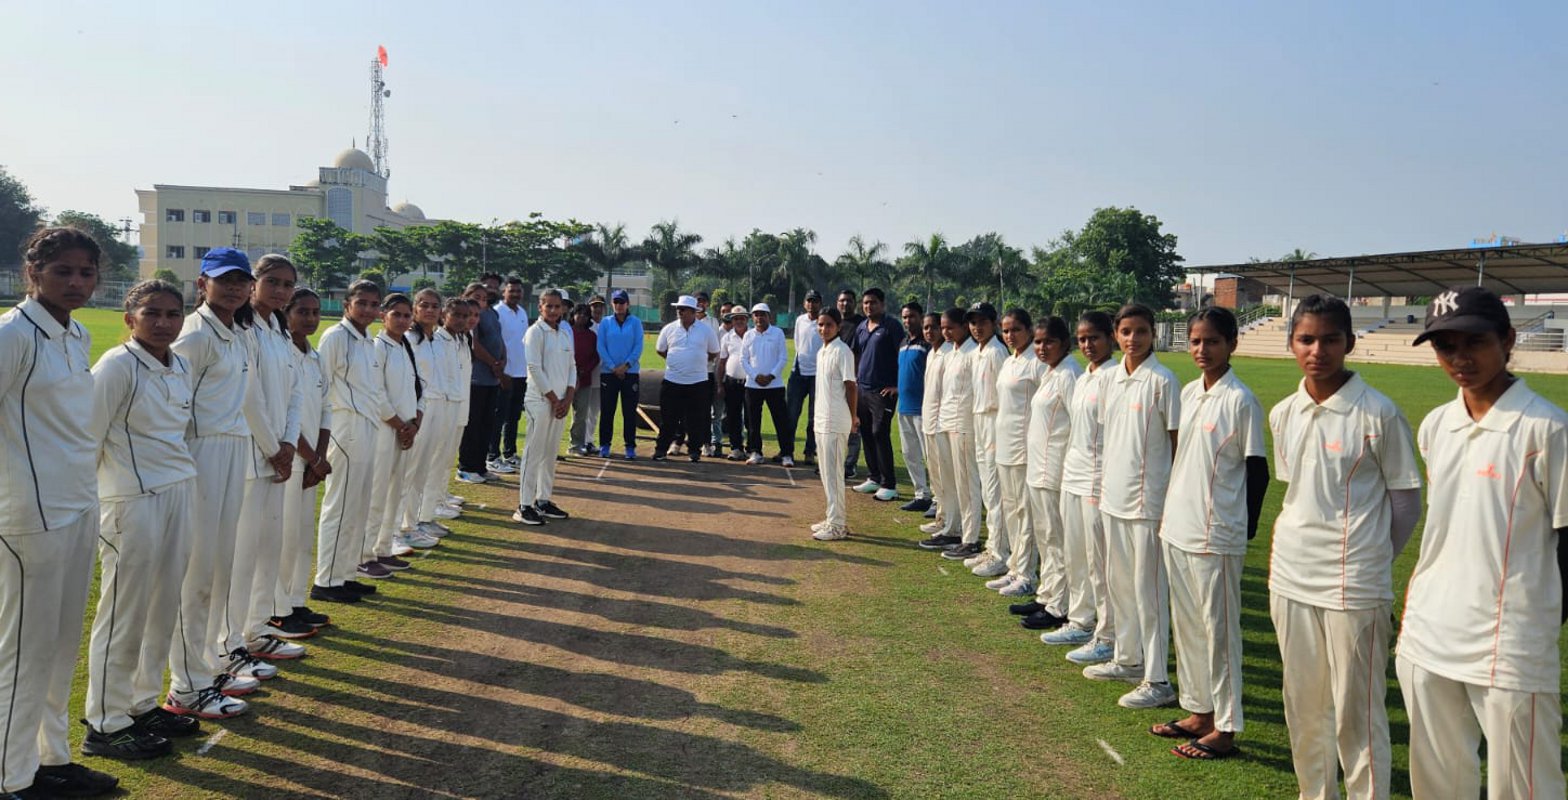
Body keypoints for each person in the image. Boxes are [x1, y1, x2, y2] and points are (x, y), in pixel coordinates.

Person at [1397, 286, 1566, 799]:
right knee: (1438, 781)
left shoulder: (1548, 429)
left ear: (1508, 339)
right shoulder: (1436, 425)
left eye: (1474, 342)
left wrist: (1533, 621)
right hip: (1429, 630)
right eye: (1445, 346)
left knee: (1526, 786)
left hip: (1508, 641)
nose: (1460, 358)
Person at [1268, 294, 1421, 800]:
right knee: (1304, 704)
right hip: (1290, 575)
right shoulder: (1284, 412)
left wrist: (1372, 559)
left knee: (1357, 713)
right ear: (1291, 344)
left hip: (1353, 584)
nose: (1318, 350)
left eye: (1330, 339)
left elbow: (1405, 503)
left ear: (1350, 343)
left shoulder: (1379, 413)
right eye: (1307, 339)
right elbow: (1299, 490)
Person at [0, 227, 120, 797]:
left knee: (58, 645)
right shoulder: (13, 334)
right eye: (63, 271)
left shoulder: (71, 336)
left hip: (76, 505)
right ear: (34, 273)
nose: (76, 282)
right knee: (22, 651)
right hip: (27, 517)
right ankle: (10, 777)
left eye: (86, 272)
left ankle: (50, 760)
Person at [83, 280, 197, 761]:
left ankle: (142, 703)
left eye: (173, 313)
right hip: (131, 498)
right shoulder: (116, 367)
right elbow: (87, 439)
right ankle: (104, 722)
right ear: (130, 319)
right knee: (124, 610)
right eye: (152, 313)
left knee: (163, 604)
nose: (164, 322)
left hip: (176, 490)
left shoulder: (181, 364)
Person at [1152, 307, 1267, 760]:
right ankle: (1200, 709)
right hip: (1179, 527)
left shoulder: (1241, 400)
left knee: (1219, 632)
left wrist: (1243, 527)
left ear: (1232, 344)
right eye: (1196, 341)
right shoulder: (1190, 392)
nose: (1202, 349)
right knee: (1190, 628)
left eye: (1212, 342)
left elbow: (1256, 470)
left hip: (1216, 533)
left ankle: (1226, 725)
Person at [165, 247, 263, 719]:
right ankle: (186, 686)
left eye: (240, 280)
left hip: (232, 448)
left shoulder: (236, 333)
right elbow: (175, 406)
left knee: (220, 566)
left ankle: (208, 666)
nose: (233, 287)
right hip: (200, 451)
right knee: (197, 573)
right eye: (222, 280)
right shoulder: (194, 334)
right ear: (202, 284)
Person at [1087, 303, 1182, 711]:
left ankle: (1157, 677)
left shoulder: (1163, 381)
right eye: (1126, 331)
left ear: (1152, 333)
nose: (1132, 339)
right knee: (1120, 583)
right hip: (1114, 498)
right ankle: (1127, 658)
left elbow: (1176, 443)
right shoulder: (1112, 380)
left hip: (1149, 503)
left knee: (1149, 592)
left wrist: (1172, 500)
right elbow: (1111, 440)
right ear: (1117, 333)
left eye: (1140, 331)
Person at [227, 255, 310, 673]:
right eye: (272, 282)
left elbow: (295, 393)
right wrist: (272, 446)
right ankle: (229, 644)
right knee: (239, 558)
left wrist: (288, 442)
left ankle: (256, 631)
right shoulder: (241, 328)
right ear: (254, 284)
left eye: (287, 284)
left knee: (267, 552)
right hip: (249, 457)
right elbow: (247, 396)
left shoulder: (278, 329)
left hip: (279, 455)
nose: (280, 291)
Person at [312, 280, 393, 604]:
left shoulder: (367, 340)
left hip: (368, 427)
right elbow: (321, 386)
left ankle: (345, 574)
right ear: (347, 304)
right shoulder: (336, 337)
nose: (369, 310)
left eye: (374, 305)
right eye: (362, 303)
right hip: (345, 428)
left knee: (358, 506)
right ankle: (325, 581)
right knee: (340, 506)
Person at [1017, 317, 1085, 632]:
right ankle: (1047, 595)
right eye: (1038, 342)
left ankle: (1059, 605)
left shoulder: (1070, 375)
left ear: (1064, 343)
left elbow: (1078, 425)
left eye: (1049, 342)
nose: (1042, 348)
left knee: (1057, 540)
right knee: (1046, 537)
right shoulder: (1051, 372)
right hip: (1039, 467)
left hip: (1056, 469)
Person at [276, 288, 333, 633]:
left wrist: (320, 457)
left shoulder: (314, 356)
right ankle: (276, 608)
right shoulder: (281, 353)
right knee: (282, 538)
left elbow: (325, 408)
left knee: (300, 537)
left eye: (314, 312)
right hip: (290, 457)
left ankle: (295, 601)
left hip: (312, 460)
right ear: (286, 313)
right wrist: (311, 457)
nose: (310, 318)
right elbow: (284, 413)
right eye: (302, 312)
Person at [361, 293, 425, 580]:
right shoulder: (379, 347)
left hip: (407, 428)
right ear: (383, 315)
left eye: (406, 315)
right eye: (395, 314)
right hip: (386, 429)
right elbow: (377, 393)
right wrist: (400, 425)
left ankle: (384, 548)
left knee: (397, 490)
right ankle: (365, 554)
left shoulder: (405, 346)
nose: (401, 320)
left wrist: (416, 420)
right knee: (377, 494)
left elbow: (417, 386)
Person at [987, 308, 1045, 599]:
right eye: (1006, 330)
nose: (1010, 336)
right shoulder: (1011, 360)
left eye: (1016, 330)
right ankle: (1014, 567)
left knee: (1025, 513)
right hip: (1005, 445)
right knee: (1010, 508)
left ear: (1029, 329)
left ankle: (1026, 574)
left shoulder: (1037, 363)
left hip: (1025, 448)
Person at [397, 289, 456, 547]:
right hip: (415, 411)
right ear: (415, 308)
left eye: (435, 306)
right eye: (424, 305)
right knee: (407, 472)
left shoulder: (437, 341)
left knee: (422, 470)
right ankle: (397, 530)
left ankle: (415, 522)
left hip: (436, 409)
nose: (430, 310)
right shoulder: (408, 338)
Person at [514, 289, 576, 525]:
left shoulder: (564, 333)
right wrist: (554, 399)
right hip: (540, 400)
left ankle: (543, 500)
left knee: (550, 454)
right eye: (548, 306)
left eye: (556, 306)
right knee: (534, 452)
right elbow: (534, 368)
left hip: (560, 402)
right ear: (540, 307)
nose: (552, 310)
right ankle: (524, 504)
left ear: (562, 309)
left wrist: (568, 397)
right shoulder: (534, 332)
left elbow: (572, 366)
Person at [962, 302, 1011, 577]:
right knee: (987, 487)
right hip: (979, 419)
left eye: (982, 322)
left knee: (995, 489)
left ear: (993, 323)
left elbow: (1004, 396)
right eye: (972, 322)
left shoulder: (996, 352)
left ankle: (1001, 553)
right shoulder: (977, 352)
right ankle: (993, 545)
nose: (976, 328)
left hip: (994, 420)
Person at [933, 309, 984, 561]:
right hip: (948, 422)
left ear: (964, 327)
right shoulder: (952, 353)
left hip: (965, 425)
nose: (946, 332)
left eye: (950, 327)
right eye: (943, 327)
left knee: (968, 484)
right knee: (952, 482)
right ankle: (954, 528)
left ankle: (971, 538)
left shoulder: (973, 354)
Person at [849, 288, 904, 500]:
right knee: (867, 433)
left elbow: (902, 355)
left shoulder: (892, 326)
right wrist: (854, 379)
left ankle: (889, 483)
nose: (868, 306)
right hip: (862, 388)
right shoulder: (862, 326)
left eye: (873, 303)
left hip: (883, 391)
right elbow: (856, 354)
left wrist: (897, 385)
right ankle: (874, 477)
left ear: (882, 304)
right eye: (865, 303)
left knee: (880, 433)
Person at [809, 308, 859, 542]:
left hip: (836, 421)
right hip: (821, 420)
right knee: (827, 475)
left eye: (828, 325)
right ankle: (832, 517)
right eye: (820, 324)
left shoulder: (842, 351)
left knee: (835, 475)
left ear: (838, 326)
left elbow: (851, 386)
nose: (823, 329)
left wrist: (853, 417)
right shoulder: (822, 351)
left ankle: (838, 525)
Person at [654, 295, 719, 462]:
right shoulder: (669, 329)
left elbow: (713, 352)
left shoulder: (706, 330)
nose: (679, 311)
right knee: (668, 418)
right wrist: (677, 360)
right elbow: (660, 350)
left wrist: (695, 361)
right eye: (678, 309)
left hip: (697, 381)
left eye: (682, 309)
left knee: (695, 419)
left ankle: (694, 450)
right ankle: (661, 449)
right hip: (672, 380)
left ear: (692, 311)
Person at [458, 281, 504, 483]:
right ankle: (467, 466)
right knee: (472, 425)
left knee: (487, 424)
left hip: (492, 380)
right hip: (477, 378)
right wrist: (493, 363)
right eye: (476, 297)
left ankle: (480, 466)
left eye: (484, 298)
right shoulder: (468, 318)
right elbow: (474, 344)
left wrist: (503, 360)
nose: (481, 302)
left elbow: (499, 340)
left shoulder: (492, 314)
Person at [742, 303, 793, 466]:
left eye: (762, 314)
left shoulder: (777, 333)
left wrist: (771, 376)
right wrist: (755, 376)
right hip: (753, 384)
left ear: (769, 316)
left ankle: (786, 454)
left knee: (781, 421)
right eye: (756, 315)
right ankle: (756, 452)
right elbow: (743, 359)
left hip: (774, 384)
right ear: (752, 318)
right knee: (753, 421)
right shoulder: (748, 335)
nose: (759, 318)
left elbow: (783, 358)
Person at [917, 312, 954, 537]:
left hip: (942, 423)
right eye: (927, 328)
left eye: (934, 327)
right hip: (929, 420)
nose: (930, 332)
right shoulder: (932, 353)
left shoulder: (949, 354)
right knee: (935, 475)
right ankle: (941, 516)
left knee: (946, 476)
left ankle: (950, 520)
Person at [596, 289, 643, 460]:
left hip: (630, 373)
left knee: (629, 412)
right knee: (607, 411)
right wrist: (613, 367)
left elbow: (638, 346)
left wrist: (626, 366)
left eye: (622, 302)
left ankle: (630, 446)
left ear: (627, 304)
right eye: (616, 302)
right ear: (612, 304)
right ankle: (605, 445)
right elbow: (601, 346)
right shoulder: (605, 323)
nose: (619, 305)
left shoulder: (635, 322)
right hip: (609, 373)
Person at [895, 302, 933, 513]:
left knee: (930, 457)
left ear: (920, 317)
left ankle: (937, 499)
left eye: (912, 317)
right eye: (905, 317)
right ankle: (921, 494)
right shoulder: (903, 342)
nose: (908, 321)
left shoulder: (927, 344)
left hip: (923, 409)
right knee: (910, 454)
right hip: (905, 408)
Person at [488, 276, 527, 474]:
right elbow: (496, 344)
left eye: (518, 291)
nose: (515, 294)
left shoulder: (522, 312)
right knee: (499, 416)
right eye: (511, 291)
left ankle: (509, 454)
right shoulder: (497, 312)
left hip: (521, 373)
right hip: (504, 374)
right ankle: (492, 456)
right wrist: (500, 371)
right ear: (504, 292)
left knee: (513, 417)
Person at [787, 290, 824, 464]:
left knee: (813, 417)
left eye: (815, 301)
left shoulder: (823, 322)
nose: (812, 304)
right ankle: (787, 450)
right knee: (791, 414)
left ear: (820, 304)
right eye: (809, 301)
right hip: (799, 372)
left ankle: (810, 451)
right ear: (804, 303)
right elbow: (797, 343)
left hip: (818, 374)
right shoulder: (800, 320)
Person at [837, 289, 865, 479]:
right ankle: (835, 462)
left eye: (849, 301)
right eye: (842, 301)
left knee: (853, 421)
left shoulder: (861, 324)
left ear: (855, 303)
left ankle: (850, 464)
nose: (845, 304)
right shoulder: (834, 322)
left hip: (853, 378)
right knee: (835, 421)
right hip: (834, 379)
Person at [568, 303, 601, 455]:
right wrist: (573, 371)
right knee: (558, 414)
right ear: (573, 315)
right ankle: (552, 446)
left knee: (581, 415)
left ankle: (576, 445)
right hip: (566, 378)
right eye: (578, 313)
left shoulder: (591, 336)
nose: (581, 316)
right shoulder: (566, 332)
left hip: (585, 379)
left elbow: (595, 357)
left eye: (585, 314)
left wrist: (583, 371)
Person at [717, 305, 750, 459]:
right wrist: (719, 383)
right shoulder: (727, 337)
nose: (739, 321)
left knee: (751, 417)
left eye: (742, 318)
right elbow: (722, 362)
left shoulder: (753, 335)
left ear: (747, 319)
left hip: (750, 382)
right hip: (731, 381)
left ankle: (753, 448)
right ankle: (736, 447)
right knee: (733, 416)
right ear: (732, 320)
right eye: (736, 318)